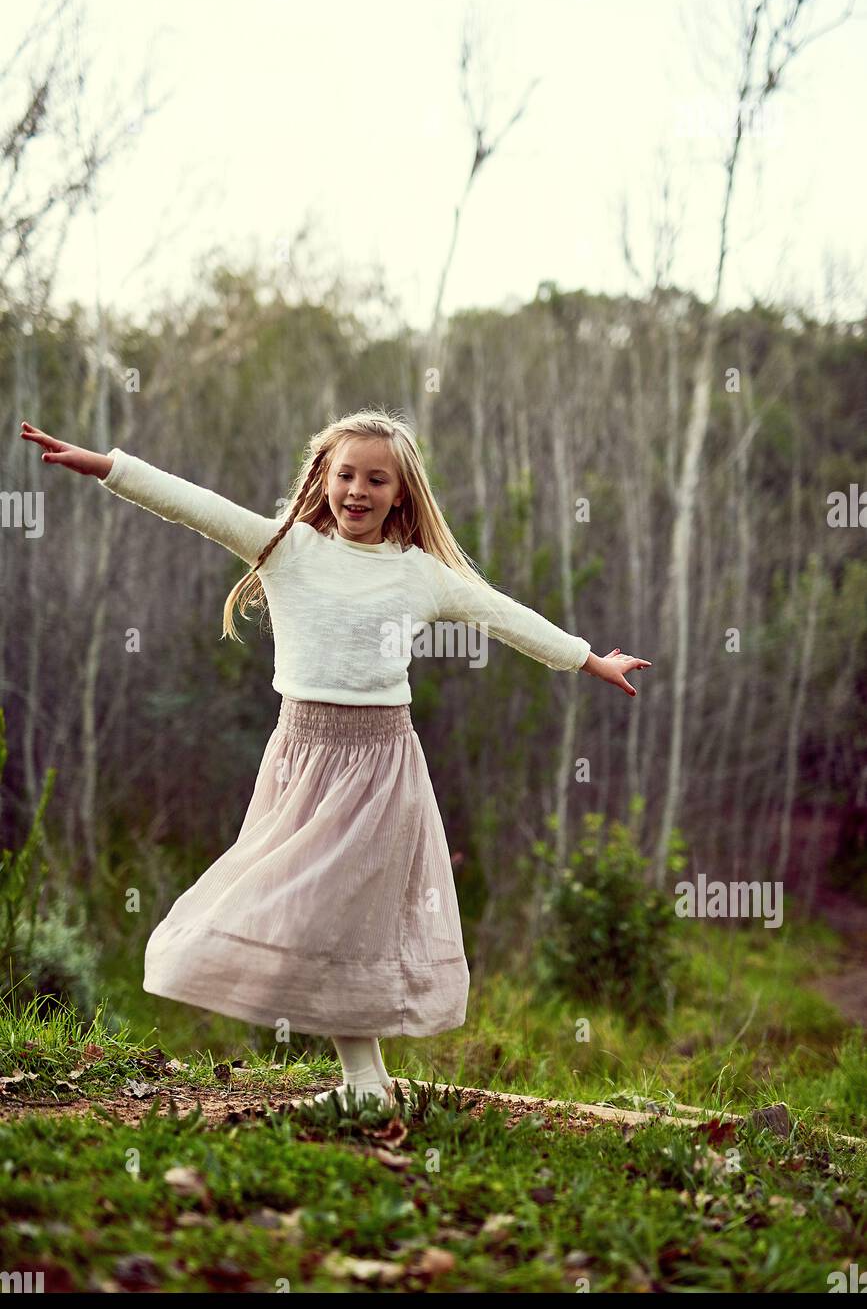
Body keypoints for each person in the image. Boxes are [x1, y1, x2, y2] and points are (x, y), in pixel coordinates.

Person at [19, 408, 651, 1111]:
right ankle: (365, 1084)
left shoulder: (419, 575)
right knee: (297, 911)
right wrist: (107, 466)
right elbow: (194, 505)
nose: (357, 490)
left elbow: (500, 613)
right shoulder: (285, 547)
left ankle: (363, 1086)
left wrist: (589, 659)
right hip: (299, 760)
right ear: (322, 477)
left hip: (380, 766)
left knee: (347, 921)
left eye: (375, 479)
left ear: (400, 493)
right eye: (345, 474)